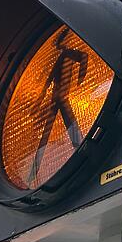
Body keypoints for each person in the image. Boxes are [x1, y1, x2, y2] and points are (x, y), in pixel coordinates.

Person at [27, 27, 88, 184]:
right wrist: (38, 103)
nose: (58, 46)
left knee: (65, 126)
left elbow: (84, 56)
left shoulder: (67, 54)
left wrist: (81, 79)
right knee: (49, 133)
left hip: (62, 97)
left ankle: (81, 151)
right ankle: (80, 151)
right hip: (57, 98)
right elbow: (48, 82)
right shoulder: (62, 57)